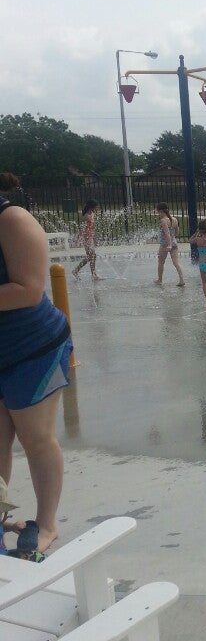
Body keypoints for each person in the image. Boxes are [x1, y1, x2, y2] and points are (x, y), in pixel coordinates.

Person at [0, 172, 73, 560]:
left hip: (34, 348)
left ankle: (46, 525)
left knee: (35, 438)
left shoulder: (12, 219)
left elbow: (29, 289)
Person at [155, 202, 185, 287]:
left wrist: (169, 245)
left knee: (161, 262)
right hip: (174, 243)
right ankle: (182, 280)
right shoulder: (174, 219)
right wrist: (173, 241)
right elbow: (177, 231)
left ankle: (160, 280)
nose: (157, 213)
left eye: (157, 211)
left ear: (160, 211)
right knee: (176, 263)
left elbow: (167, 233)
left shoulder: (163, 221)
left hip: (165, 244)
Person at [72, 198, 100, 280]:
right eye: (96, 207)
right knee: (91, 256)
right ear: (92, 207)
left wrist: (94, 238)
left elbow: (92, 228)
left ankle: (93, 274)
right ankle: (76, 270)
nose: (97, 208)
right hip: (86, 238)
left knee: (92, 256)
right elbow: (81, 229)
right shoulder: (86, 216)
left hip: (90, 237)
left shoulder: (92, 214)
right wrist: (77, 239)